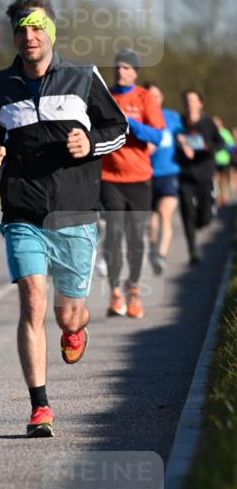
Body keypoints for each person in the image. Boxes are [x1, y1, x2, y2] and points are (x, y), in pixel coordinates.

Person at [0, 0, 128, 438]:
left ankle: (76, 330)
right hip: (22, 209)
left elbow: (117, 128)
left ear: (51, 32)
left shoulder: (83, 78)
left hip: (75, 212)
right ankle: (40, 406)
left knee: (68, 315)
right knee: (32, 302)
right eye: (22, 29)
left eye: (37, 27)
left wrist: (90, 144)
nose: (29, 36)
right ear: (14, 36)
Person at [100, 50, 165, 318]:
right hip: (109, 177)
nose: (120, 71)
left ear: (135, 72)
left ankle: (134, 288)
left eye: (126, 68)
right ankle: (115, 292)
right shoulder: (105, 97)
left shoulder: (145, 97)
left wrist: (130, 124)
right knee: (114, 233)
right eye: (117, 67)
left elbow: (158, 135)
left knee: (136, 238)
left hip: (139, 178)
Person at [176, 90, 224, 264]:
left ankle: (200, 221)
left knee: (205, 218)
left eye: (193, 100)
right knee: (187, 212)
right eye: (187, 100)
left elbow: (221, 144)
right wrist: (180, 144)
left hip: (205, 175)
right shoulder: (179, 123)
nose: (189, 104)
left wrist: (205, 146)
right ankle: (193, 252)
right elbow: (172, 143)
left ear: (200, 104)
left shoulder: (208, 123)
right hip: (185, 176)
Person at [145, 83, 183, 275]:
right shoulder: (142, 117)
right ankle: (153, 250)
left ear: (162, 97)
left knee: (164, 213)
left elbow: (186, 134)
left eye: (156, 96)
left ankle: (161, 254)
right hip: (148, 174)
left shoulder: (172, 117)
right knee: (152, 219)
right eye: (149, 96)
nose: (153, 100)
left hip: (169, 173)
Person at [213, 115, 236, 206]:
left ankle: (222, 196)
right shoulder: (212, 132)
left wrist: (222, 146)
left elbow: (231, 146)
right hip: (213, 159)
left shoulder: (225, 132)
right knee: (215, 177)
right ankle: (217, 195)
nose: (215, 124)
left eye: (217, 122)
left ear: (221, 122)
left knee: (221, 178)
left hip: (223, 159)